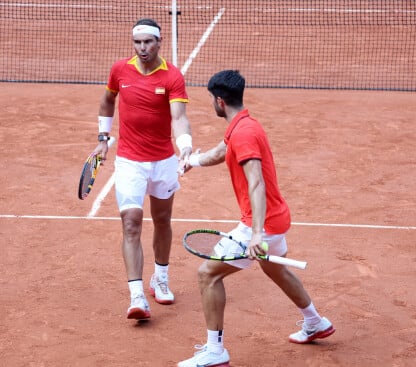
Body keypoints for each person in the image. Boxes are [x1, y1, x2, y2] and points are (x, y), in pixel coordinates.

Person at [177, 70, 334, 367]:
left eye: (212, 99)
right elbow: (221, 152)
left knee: (207, 275)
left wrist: (257, 234)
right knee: (275, 269)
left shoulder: (245, 134)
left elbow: (256, 183)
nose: (212, 103)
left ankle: (215, 350)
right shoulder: (242, 125)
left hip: (260, 225)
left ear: (220, 102)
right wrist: (191, 161)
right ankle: (316, 322)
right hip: (275, 217)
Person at [92, 18, 193, 320]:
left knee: (162, 221)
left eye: (148, 42)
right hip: (129, 161)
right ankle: (137, 296)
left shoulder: (172, 76)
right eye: (137, 42)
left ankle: (160, 278)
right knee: (132, 223)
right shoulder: (120, 70)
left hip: (163, 161)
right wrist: (102, 138)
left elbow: (179, 117)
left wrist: (185, 146)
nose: (142, 48)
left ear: (159, 42)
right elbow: (108, 100)